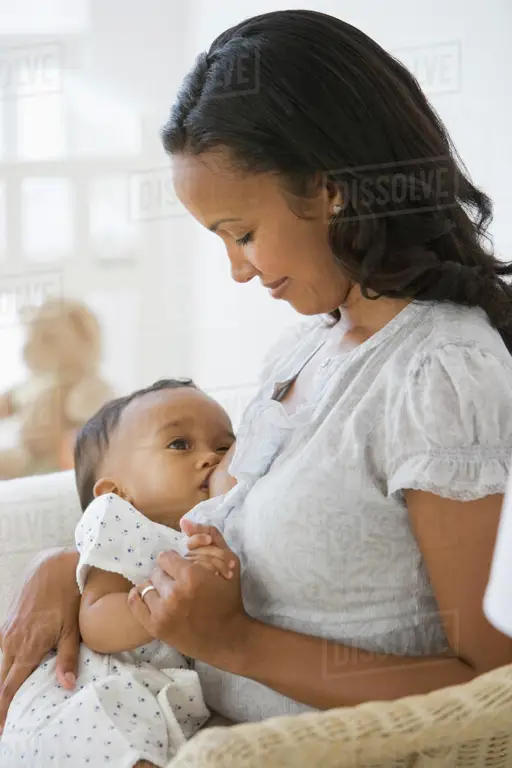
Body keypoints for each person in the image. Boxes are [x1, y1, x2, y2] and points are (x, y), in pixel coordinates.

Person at [2, 7, 512, 741]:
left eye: (242, 234)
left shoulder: (441, 376)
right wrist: (69, 566)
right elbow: (200, 514)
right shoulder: (307, 347)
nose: (238, 271)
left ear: (329, 187)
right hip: (188, 719)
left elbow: (493, 692)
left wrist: (237, 643)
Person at [0, 379, 236, 767]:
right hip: (81, 696)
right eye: (180, 444)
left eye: (225, 446)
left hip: (150, 702)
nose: (211, 457)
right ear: (117, 493)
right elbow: (95, 619)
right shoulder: (121, 526)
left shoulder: (215, 533)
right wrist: (164, 602)